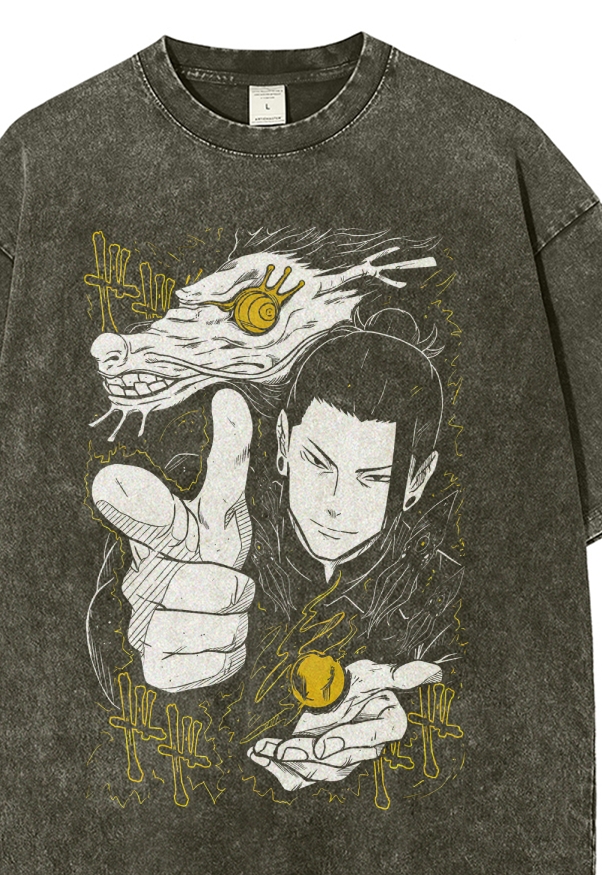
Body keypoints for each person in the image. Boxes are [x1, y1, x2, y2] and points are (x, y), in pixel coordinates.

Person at [91, 310, 462, 791]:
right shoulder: (209, 522)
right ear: (284, 443)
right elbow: (110, 632)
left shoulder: (443, 588)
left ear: (416, 480)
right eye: (318, 462)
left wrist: (401, 728)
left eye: (372, 479)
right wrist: (137, 627)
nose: (335, 504)